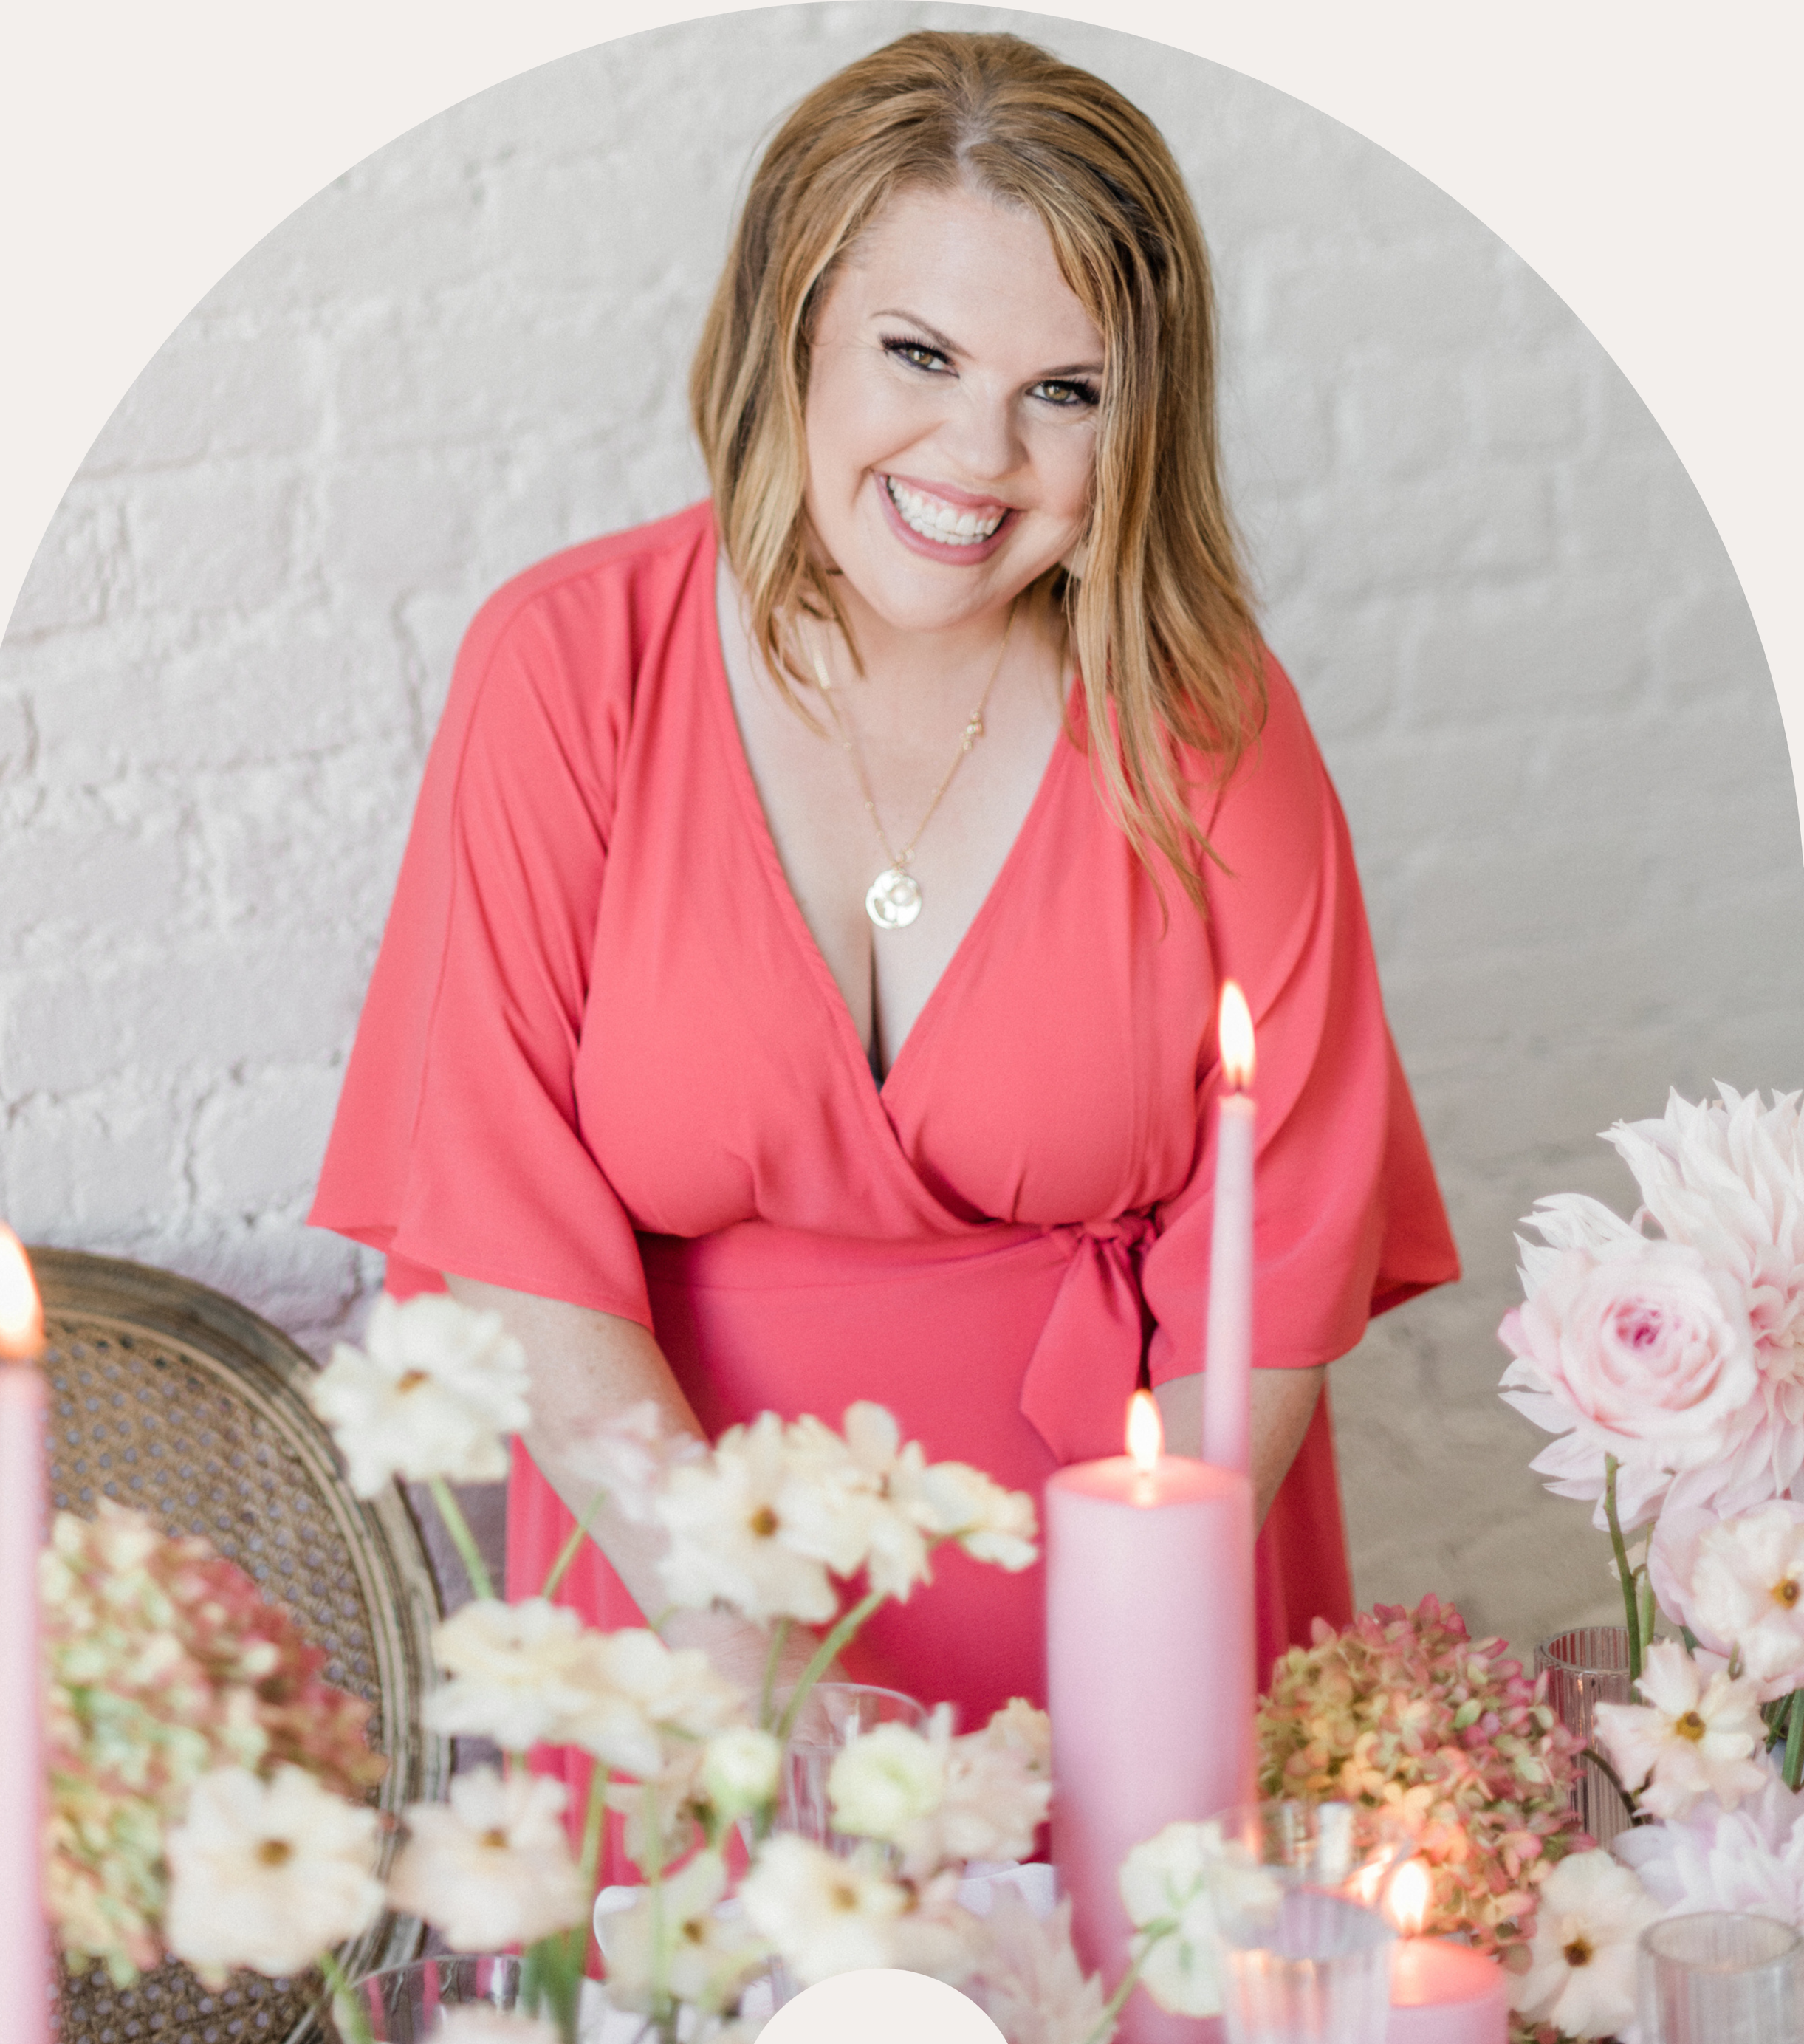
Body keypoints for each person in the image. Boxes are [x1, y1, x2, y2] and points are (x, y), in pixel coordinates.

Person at [310, 30, 1458, 1736]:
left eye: (1063, 391)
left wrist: (1131, 1659)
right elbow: (500, 1195)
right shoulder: (567, 663)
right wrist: (730, 1632)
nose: (975, 457)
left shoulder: (1203, 707)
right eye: (917, 353)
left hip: (1122, 1601)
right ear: (787, 331)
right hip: (686, 1591)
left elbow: (1280, 1232)